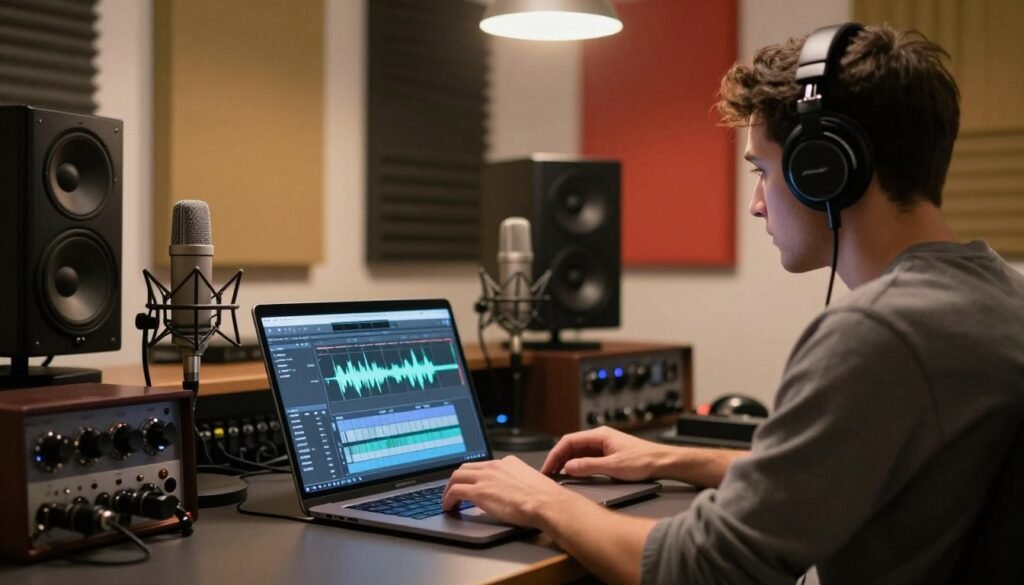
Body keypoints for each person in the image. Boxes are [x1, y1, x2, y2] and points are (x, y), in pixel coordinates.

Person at [442, 22, 1024, 585]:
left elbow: (702, 568)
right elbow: (832, 478)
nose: (755, 204)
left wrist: (543, 501)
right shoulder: (995, 290)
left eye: (763, 170)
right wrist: (673, 459)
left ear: (823, 171)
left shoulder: (879, 334)